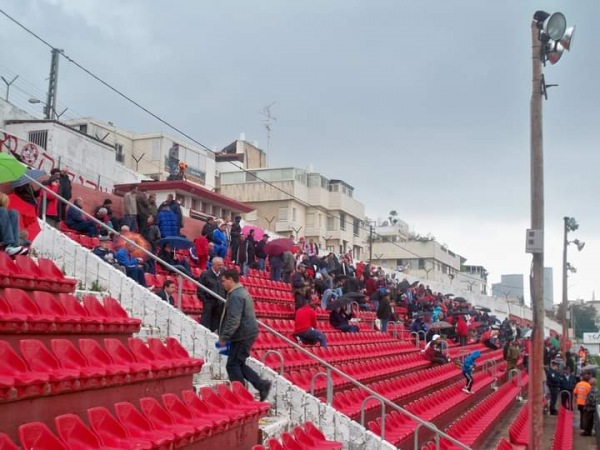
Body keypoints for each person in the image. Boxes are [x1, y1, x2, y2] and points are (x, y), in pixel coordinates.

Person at [218, 269, 271, 401]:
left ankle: (240, 395)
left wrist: (224, 337)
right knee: (239, 363)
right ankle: (261, 385)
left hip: (241, 334)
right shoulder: (241, 292)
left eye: (224, 281)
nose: (222, 284)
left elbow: (234, 319)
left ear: (231, 280)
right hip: (246, 333)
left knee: (232, 365)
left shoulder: (236, 295)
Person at [197, 257, 225, 332]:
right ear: (214, 265)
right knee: (204, 325)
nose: (221, 267)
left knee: (215, 326)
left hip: (219, 304)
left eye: (222, 265)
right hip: (209, 303)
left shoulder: (223, 275)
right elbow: (200, 289)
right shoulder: (205, 274)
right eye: (219, 265)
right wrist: (205, 300)